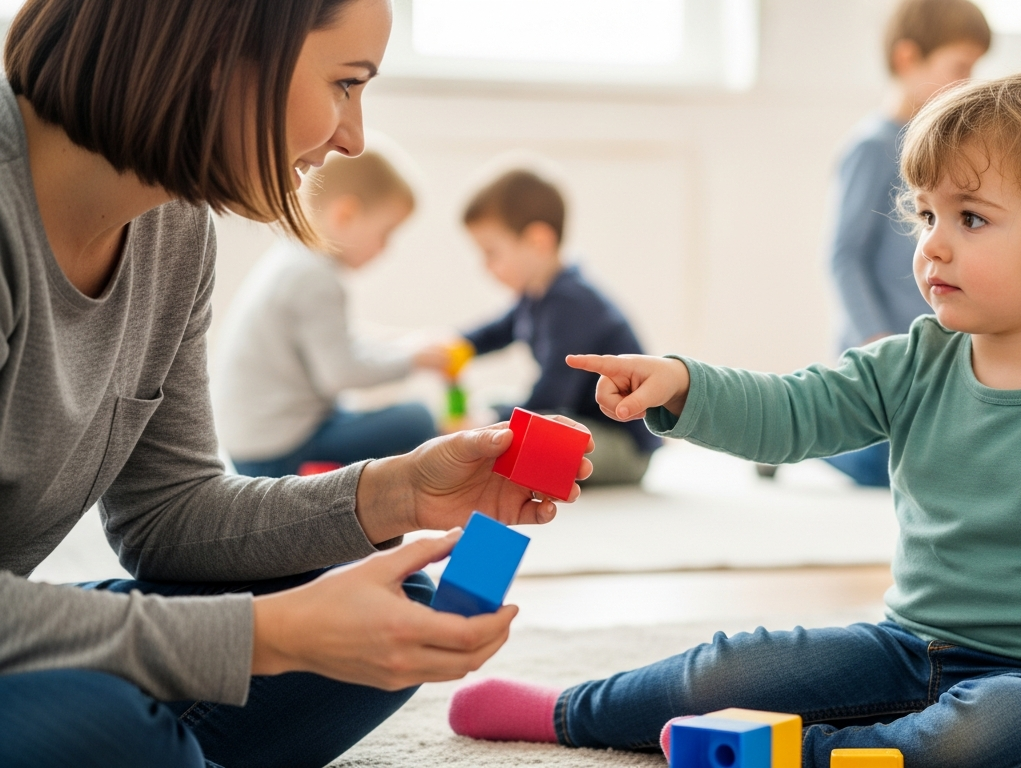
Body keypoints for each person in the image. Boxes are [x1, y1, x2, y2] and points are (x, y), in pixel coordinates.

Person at [450, 72, 1021, 768]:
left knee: (978, 740)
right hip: (906, 647)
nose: (931, 244)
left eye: (971, 219)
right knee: (737, 665)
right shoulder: (920, 358)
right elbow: (795, 411)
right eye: (926, 215)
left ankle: (793, 754)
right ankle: (571, 712)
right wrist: (682, 385)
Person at [0, 2, 590, 766]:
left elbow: (166, 517)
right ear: (218, 50)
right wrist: (270, 636)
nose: (355, 136)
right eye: (345, 84)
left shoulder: (173, 232)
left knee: (389, 613)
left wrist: (400, 492)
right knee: (114, 726)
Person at [823, 0, 989, 487]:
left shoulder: (948, 151)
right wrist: (875, 337)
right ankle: (814, 445)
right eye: (960, 67)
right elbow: (843, 257)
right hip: (885, 353)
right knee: (889, 466)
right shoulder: (872, 147)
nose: (969, 82)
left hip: (934, 358)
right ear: (907, 58)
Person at [215, 149, 446, 478]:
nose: (386, 247)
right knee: (418, 419)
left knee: (377, 417)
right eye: (385, 233)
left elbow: (341, 343)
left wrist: (407, 344)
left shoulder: (295, 258)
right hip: (279, 453)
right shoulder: (315, 277)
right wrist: (413, 360)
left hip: (258, 442)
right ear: (346, 215)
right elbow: (340, 373)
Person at [459, 168, 661, 485]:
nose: (485, 267)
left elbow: (551, 397)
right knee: (489, 405)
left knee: (509, 440)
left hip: (622, 445)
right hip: (581, 423)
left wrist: (488, 425)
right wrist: (453, 346)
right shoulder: (536, 294)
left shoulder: (571, 304)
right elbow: (493, 334)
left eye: (491, 253)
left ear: (538, 241)